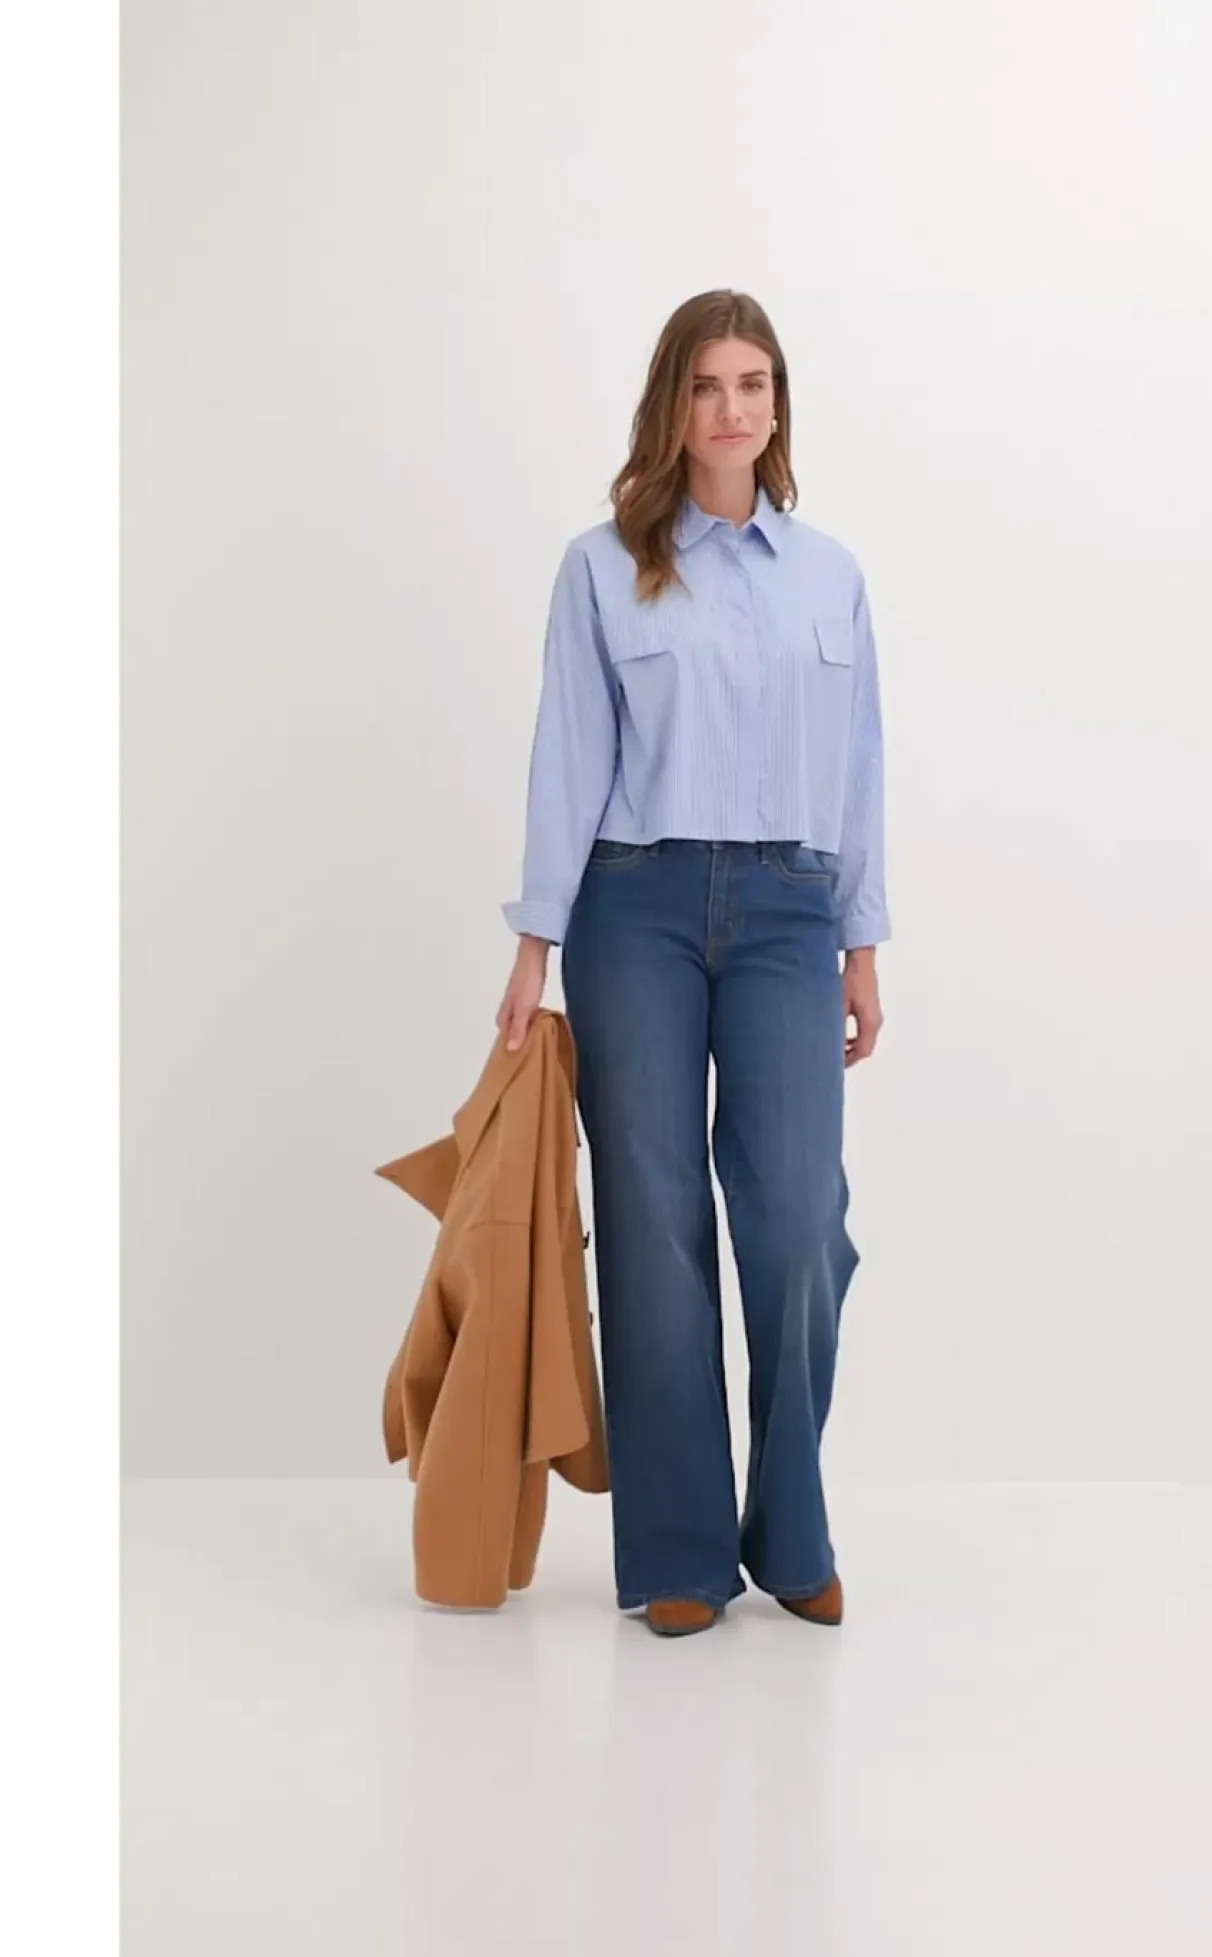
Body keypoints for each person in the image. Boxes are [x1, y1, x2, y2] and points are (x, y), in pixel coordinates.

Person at [495, 289, 889, 1638]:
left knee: (798, 1222)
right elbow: (568, 759)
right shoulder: (602, 567)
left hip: (790, 909)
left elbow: (860, 768)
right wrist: (535, 944)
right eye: (708, 384)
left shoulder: (830, 575)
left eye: (753, 382)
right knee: (655, 1225)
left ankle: (792, 1529)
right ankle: (674, 1550)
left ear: (779, 404)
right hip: (635, 907)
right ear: (673, 404)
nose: (732, 407)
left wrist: (862, 943)